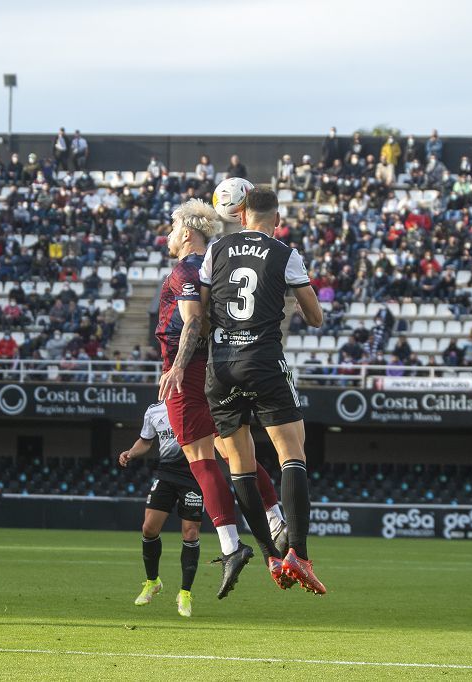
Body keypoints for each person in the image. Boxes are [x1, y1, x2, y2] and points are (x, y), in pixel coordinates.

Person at [197, 187, 327, 594]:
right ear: (277, 215)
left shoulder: (215, 249)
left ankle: (271, 554)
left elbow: (200, 315)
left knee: (240, 465)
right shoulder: (284, 253)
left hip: (221, 367)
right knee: (292, 454)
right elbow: (316, 316)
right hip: (264, 360)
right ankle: (299, 555)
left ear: (241, 213)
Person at [155, 198, 285, 600]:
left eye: (174, 229)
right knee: (233, 452)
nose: (169, 236)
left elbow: (194, 320)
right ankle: (276, 518)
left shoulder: (186, 269)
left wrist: (176, 366)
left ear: (188, 233)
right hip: (222, 365)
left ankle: (231, 545)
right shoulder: (219, 264)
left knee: (200, 459)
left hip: (191, 369)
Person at [119, 401, 202, 617]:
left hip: (194, 476)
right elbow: (146, 441)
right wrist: (131, 452)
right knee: (149, 529)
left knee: (190, 532)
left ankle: (185, 593)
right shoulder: (154, 410)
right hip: (165, 475)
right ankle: (153, 582)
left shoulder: (198, 402)